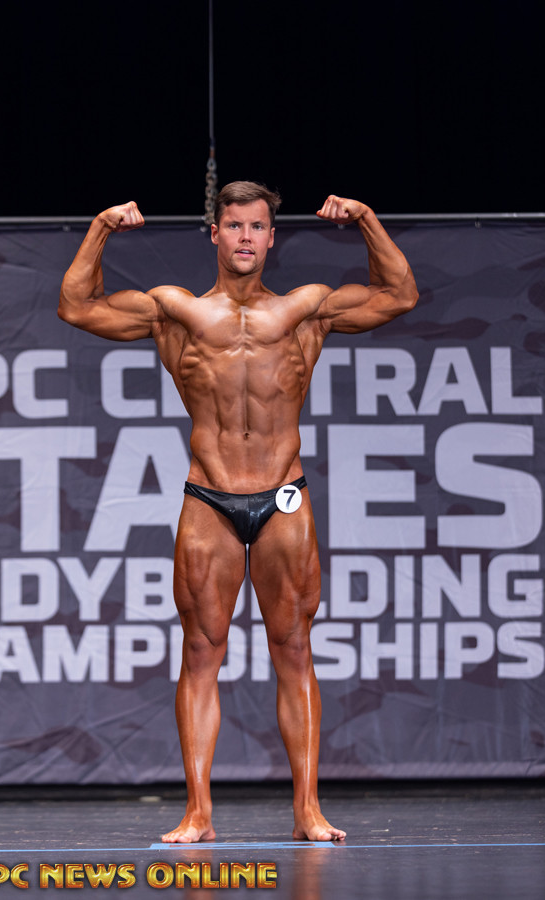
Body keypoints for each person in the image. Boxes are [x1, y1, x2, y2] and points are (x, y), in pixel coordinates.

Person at [59, 182, 418, 843]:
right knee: (200, 651)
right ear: (215, 234)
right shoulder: (176, 313)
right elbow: (76, 307)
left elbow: (399, 295)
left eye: (257, 226)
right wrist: (102, 226)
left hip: (283, 496)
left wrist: (367, 218)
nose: (246, 236)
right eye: (234, 225)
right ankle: (198, 812)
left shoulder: (306, 311)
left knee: (294, 648)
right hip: (210, 497)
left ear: (272, 238)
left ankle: (308, 810)